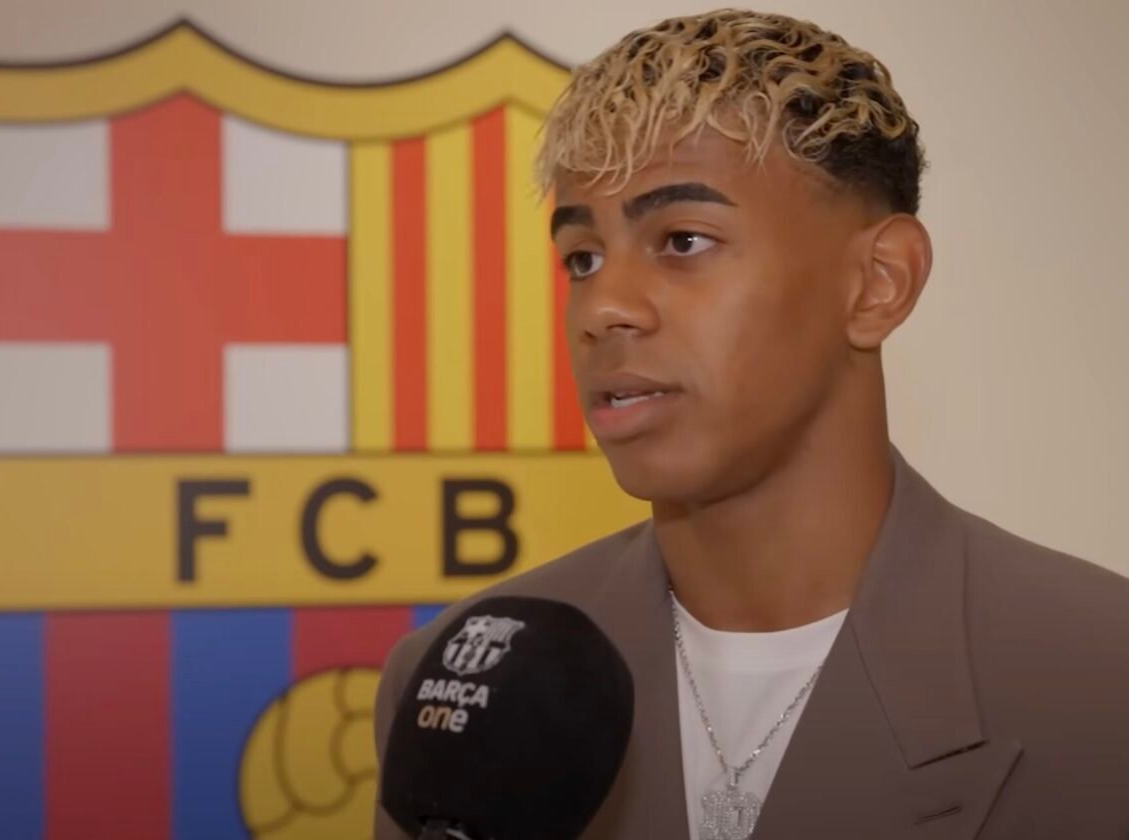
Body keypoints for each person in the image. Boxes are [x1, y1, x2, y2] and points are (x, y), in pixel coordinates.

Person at [373, 8, 1129, 839]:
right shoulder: (460, 689)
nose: (604, 307)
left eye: (683, 241)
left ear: (878, 281)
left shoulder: (1101, 676)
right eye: (581, 258)